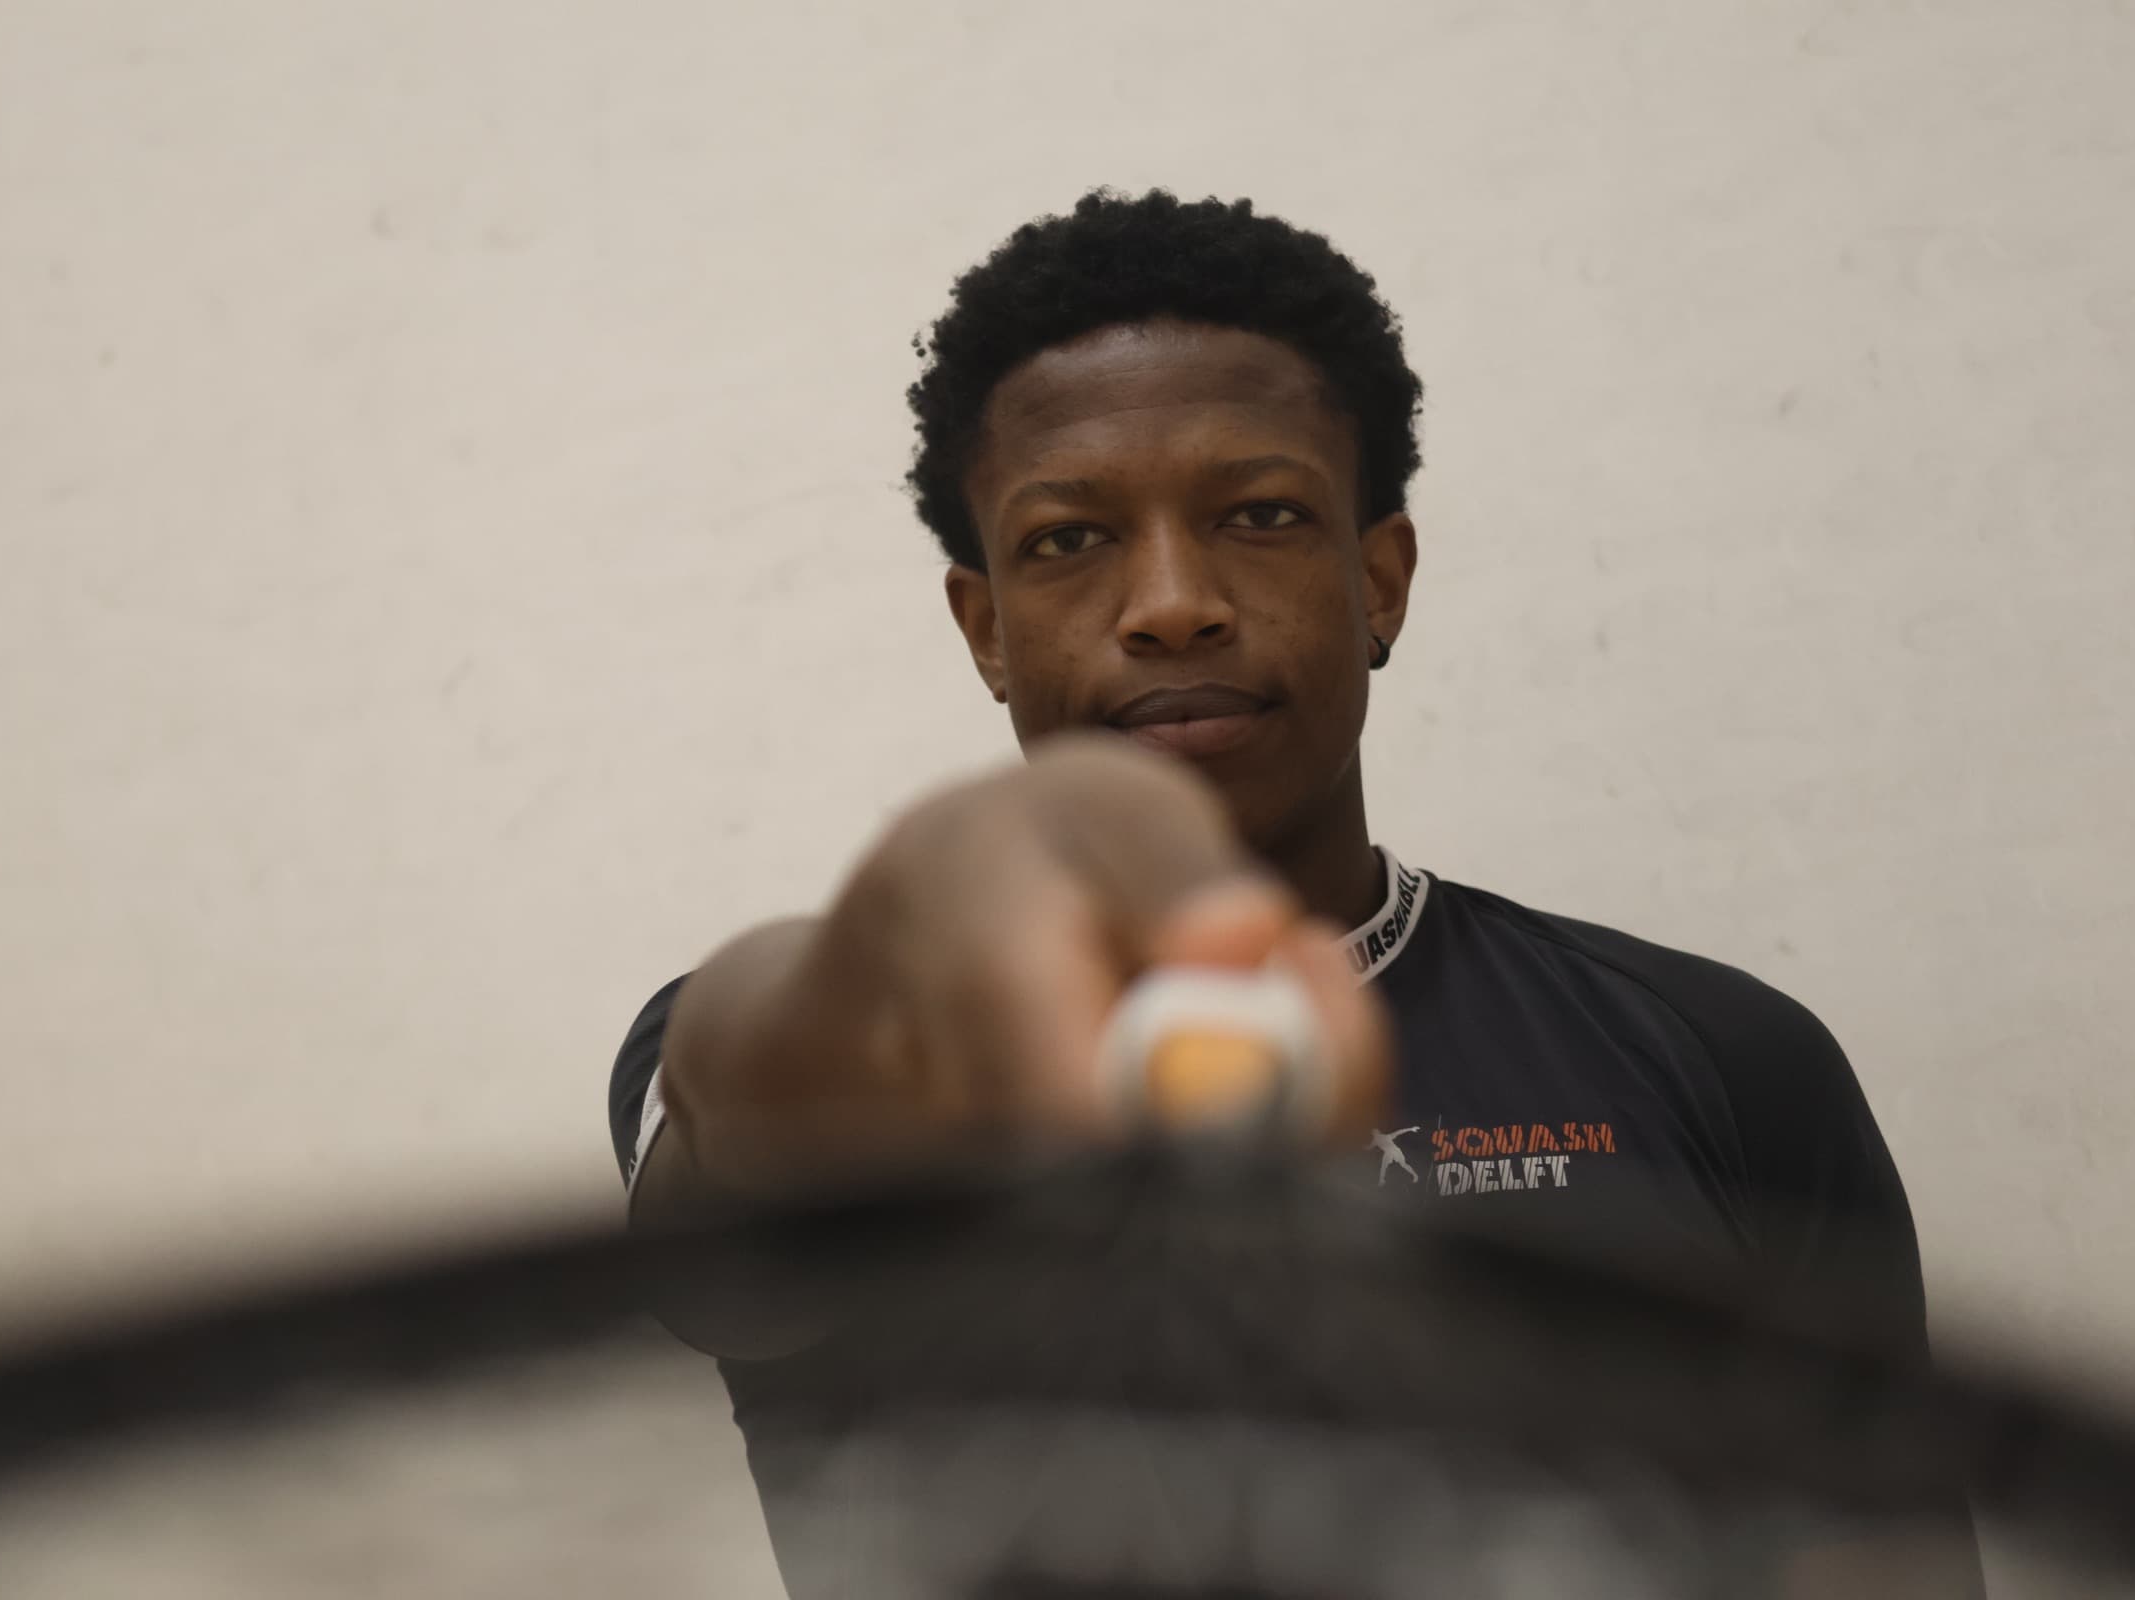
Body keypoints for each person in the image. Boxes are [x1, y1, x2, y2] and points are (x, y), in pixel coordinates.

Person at [607, 188, 1977, 1595]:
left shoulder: (1726, 1062)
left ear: (1377, 579)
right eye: (1069, 541)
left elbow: (1887, 1563)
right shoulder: (820, 1051)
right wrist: (916, 903)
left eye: (1258, 515)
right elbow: (743, 1107)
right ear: (986, 630)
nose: (1171, 603)